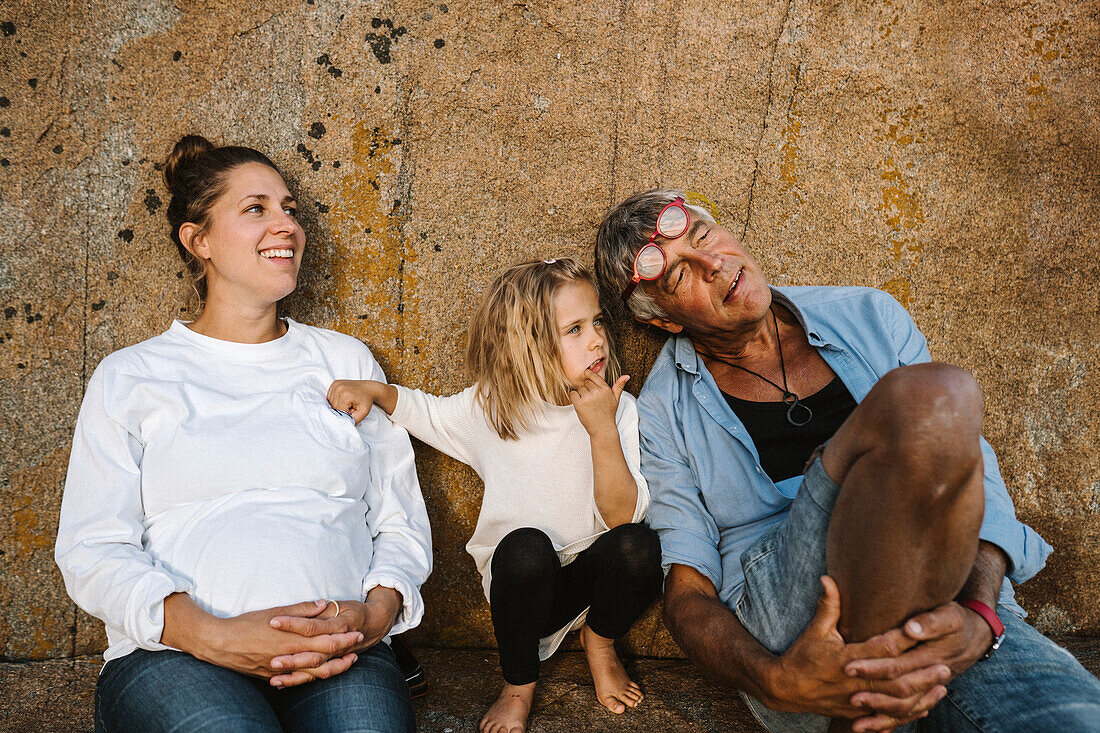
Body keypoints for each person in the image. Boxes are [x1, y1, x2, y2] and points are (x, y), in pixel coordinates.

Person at [593, 189, 1100, 732]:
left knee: (1076, 718)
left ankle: (871, 706)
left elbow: (973, 474)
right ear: (667, 321)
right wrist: (775, 680)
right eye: (679, 277)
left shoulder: (867, 315)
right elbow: (688, 593)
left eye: (703, 236)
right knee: (931, 396)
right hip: (796, 629)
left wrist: (979, 613)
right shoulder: (666, 410)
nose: (714, 265)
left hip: (942, 598)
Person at [54, 135, 432, 733]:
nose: (286, 225)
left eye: (290, 209)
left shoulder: (343, 361)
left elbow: (397, 517)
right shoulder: (133, 375)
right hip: (176, 657)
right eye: (256, 208)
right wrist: (213, 636)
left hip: (341, 649)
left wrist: (375, 614)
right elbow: (93, 546)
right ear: (197, 239)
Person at [327, 258, 662, 733]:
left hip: (590, 580)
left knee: (640, 547)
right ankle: (518, 684)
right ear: (528, 345)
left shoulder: (617, 407)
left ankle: (600, 642)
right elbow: (430, 414)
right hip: (522, 587)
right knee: (525, 548)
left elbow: (622, 517)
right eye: (575, 329)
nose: (597, 339)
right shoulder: (494, 407)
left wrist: (602, 430)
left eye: (598, 321)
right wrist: (378, 391)